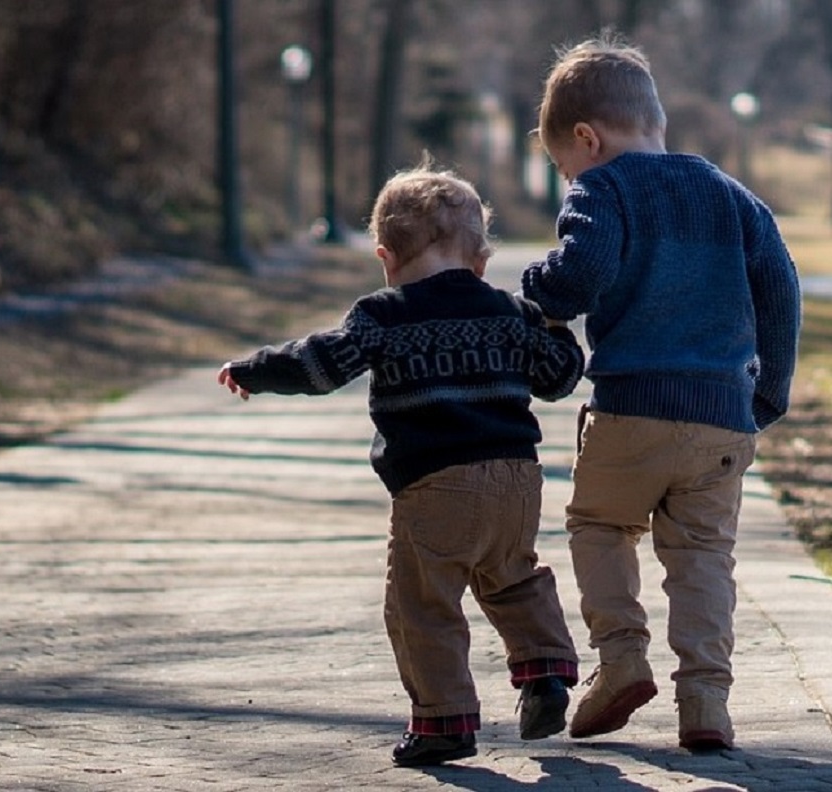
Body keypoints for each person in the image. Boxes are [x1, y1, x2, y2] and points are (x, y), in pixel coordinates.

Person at [218, 164, 584, 767]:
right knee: (514, 577)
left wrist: (257, 370)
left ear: (385, 256)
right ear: (480, 258)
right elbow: (558, 377)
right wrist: (556, 325)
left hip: (436, 484)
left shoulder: (383, 315)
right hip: (517, 480)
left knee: (422, 604)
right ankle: (545, 673)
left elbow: (322, 365)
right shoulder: (508, 311)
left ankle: (444, 720)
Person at [521, 35, 801, 752]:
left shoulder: (603, 187)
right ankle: (705, 700)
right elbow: (781, 288)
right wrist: (769, 390)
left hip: (632, 408)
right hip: (720, 417)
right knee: (705, 555)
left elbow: (579, 276)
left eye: (563, 166)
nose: (568, 177)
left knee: (599, 526)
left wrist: (536, 287)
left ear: (589, 139)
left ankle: (620, 661)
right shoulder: (731, 195)